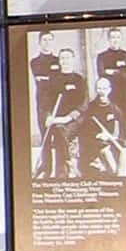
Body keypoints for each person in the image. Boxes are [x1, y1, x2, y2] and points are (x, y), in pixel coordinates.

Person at [37, 48, 87, 178]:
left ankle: (63, 170)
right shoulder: (53, 79)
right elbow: (46, 101)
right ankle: (55, 171)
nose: (65, 61)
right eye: (62, 58)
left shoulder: (79, 79)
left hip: (75, 119)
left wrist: (69, 117)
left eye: (68, 58)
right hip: (56, 118)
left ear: (73, 60)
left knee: (61, 131)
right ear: (59, 61)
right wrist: (48, 116)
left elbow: (84, 104)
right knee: (56, 130)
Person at [79, 77, 126, 178]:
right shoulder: (90, 108)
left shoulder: (114, 108)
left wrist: (113, 137)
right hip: (96, 143)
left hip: (112, 140)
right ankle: (115, 175)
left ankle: (122, 178)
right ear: (96, 90)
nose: (102, 92)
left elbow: (120, 128)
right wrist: (98, 135)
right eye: (99, 88)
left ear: (109, 90)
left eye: (104, 89)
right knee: (106, 153)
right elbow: (85, 131)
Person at [95, 27, 126, 108]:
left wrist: (112, 72)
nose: (115, 40)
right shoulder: (102, 56)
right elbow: (102, 74)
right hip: (110, 94)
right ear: (108, 39)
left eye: (118, 37)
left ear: (121, 39)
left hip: (125, 93)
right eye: (113, 37)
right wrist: (123, 71)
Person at [30, 30, 61, 133]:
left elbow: (59, 80)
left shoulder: (59, 60)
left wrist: (47, 78)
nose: (47, 42)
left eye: (50, 40)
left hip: (57, 97)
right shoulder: (35, 62)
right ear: (39, 42)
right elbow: (40, 80)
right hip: (43, 98)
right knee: (44, 129)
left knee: (58, 129)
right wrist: (52, 79)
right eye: (44, 40)